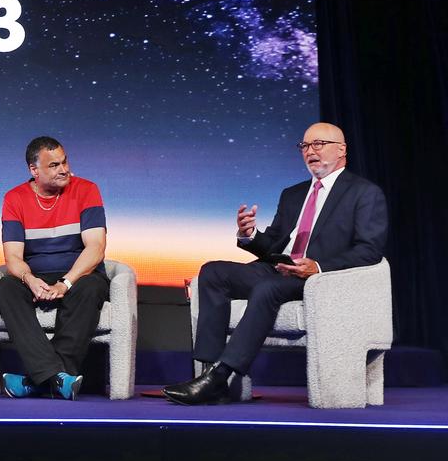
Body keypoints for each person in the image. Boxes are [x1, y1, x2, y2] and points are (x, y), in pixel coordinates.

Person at [163, 122, 388, 405]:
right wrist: (250, 235)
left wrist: (317, 267)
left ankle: (222, 376)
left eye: (318, 144)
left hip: (318, 279)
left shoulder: (364, 193)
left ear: (341, 149)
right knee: (213, 271)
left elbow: (369, 251)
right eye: (305, 146)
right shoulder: (293, 194)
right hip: (278, 269)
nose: (310, 151)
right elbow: (273, 246)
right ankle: (208, 371)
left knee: (268, 289)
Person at [0, 136, 109, 400]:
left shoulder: (87, 189)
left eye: (64, 162)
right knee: (5, 288)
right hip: (37, 273)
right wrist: (29, 279)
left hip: (79, 273)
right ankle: (57, 378)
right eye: (54, 165)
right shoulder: (14, 198)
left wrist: (65, 283)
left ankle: (37, 380)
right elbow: (13, 256)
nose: (64, 169)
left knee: (91, 287)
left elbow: (95, 248)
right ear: (34, 170)